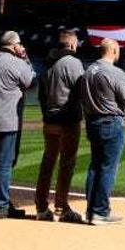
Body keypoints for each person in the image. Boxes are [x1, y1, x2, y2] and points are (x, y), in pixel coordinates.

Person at [0, 31, 35, 219]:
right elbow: (31, 82)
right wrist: (26, 58)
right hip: (8, 119)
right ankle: (1, 205)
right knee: (4, 163)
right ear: (14, 45)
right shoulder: (16, 63)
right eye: (19, 44)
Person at [80, 38, 125, 225]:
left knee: (95, 167)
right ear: (112, 50)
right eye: (117, 49)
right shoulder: (115, 72)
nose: (118, 52)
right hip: (111, 121)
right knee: (108, 168)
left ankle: (91, 211)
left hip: (92, 121)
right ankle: (100, 212)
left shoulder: (88, 70)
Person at [36, 29, 85, 224]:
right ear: (72, 44)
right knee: (66, 163)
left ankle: (41, 207)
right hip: (68, 121)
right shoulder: (73, 62)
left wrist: (47, 113)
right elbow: (80, 90)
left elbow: (40, 95)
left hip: (50, 119)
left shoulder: (48, 63)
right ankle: (61, 207)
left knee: (48, 161)